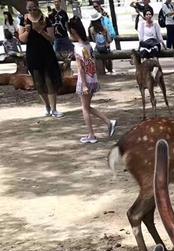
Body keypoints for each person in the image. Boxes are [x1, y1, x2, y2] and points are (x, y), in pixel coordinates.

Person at [69, 16, 116, 144]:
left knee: (84, 108)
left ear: (73, 31)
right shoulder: (88, 45)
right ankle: (108, 122)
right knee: (87, 106)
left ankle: (91, 135)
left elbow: (81, 67)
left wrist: (84, 84)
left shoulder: (78, 47)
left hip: (85, 80)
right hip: (92, 78)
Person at [18, 1, 63, 118]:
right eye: (29, 9)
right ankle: (47, 107)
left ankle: (54, 109)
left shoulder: (46, 19)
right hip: (33, 54)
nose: (32, 11)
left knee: (49, 81)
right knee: (38, 82)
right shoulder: (23, 20)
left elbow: (52, 39)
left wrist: (40, 30)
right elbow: (22, 39)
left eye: (34, 8)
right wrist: (27, 31)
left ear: (38, 7)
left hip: (46, 53)